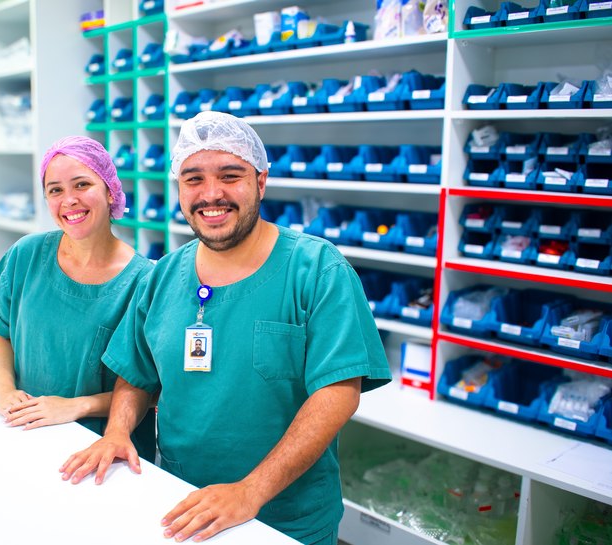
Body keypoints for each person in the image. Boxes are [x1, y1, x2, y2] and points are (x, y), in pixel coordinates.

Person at [59, 112, 392, 544]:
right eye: (193, 179)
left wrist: (250, 491)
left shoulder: (316, 269)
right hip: (181, 507)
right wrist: (118, 432)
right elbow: (137, 373)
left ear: (261, 182)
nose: (211, 194)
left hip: (286, 521)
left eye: (230, 176)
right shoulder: (163, 276)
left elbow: (338, 394)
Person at [0, 136, 155, 460]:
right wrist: (4, 389)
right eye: (55, 190)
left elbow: (150, 389)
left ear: (110, 190)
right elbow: (2, 331)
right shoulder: (26, 255)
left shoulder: (143, 281)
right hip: (27, 430)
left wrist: (75, 406)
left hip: (100, 450)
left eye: (82, 184)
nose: (69, 200)